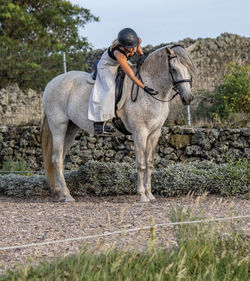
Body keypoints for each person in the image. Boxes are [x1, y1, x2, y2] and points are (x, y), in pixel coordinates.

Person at [88, 27, 158, 135]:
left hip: (119, 64)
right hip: (107, 66)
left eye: (134, 46)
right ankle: (99, 123)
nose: (134, 50)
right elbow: (130, 75)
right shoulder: (119, 54)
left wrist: (141, 55)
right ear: (124, 46)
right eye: (131, 48)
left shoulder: (136, 41)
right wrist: (144, 87)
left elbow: (138, 44)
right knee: (109, 90)